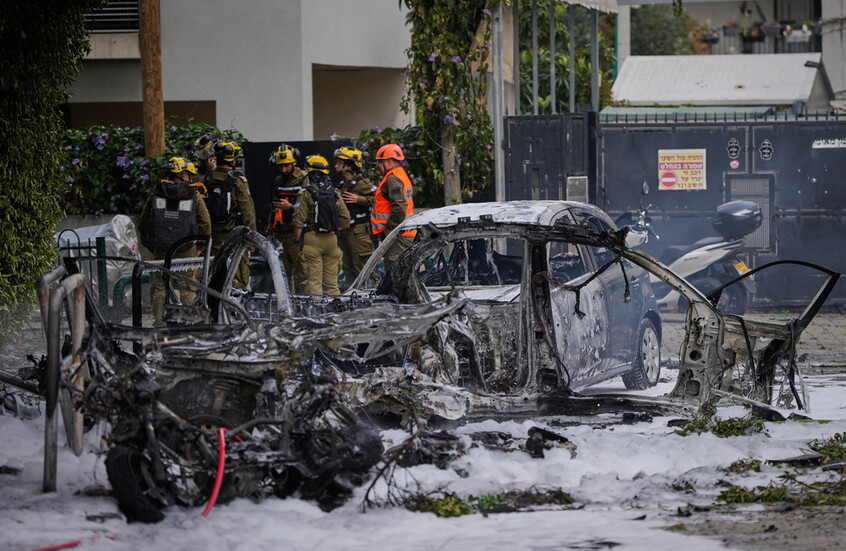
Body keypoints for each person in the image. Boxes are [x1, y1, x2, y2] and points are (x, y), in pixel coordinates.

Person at [137, 156, 212, 320]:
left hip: (161, 252)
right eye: (189, 174)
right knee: (188, 289)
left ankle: (160, 328)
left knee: (160, 289)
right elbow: (205, 223)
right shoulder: (194, 195)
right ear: (183, 174)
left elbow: (142, 224)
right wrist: (199, 247)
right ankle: (188, 328)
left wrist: (152, 246)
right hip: (187, 251)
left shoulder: (156, 194)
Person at [292, 155, 350, 295]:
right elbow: (345, 219)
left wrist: (297, 240)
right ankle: (335, 314)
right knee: (331, 285)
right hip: (332, 240)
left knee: (313, 284)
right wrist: (332, 227)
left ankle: (317, 315)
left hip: (312, 240)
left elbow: (298, 221)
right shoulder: (335, 192)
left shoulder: (305, 193)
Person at [203, 140, 256, 290]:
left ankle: (214, 311)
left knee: (214, 280)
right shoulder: (238, 181)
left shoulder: (206, 179)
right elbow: (248, 213)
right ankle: (236, 312)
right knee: (238, 281)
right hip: (235, 239)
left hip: (212, 240)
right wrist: (252, 240)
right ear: (232, 160)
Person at [266, 143, 306, 291]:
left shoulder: (303, 179)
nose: (283, 170)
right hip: (281, 232)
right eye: (281, 166)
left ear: (294, 163)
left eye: (287, 166)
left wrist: (290, 207)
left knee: (303, 273)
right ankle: (290, 305)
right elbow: (273, 205)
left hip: (297, 234)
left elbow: (309, 207)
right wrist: (270, 223)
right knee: (284, 274)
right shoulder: (277, 181)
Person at [334, 146, 375, 289]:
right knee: (347, 266)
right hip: (345, 232)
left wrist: (359, 199)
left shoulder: (362, 183)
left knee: (362, 266)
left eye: (340, 163)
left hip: (358, 233)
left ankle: (370, 293)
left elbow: (377, 200)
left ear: (349, 165)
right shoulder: (343, 184)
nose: (336, 166)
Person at [371, 144, 416, 270]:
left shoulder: (392, 179)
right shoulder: (401, 175)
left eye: (380, 163)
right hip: (405, 232)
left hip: (398, 236)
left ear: (389, 161)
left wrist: (390, 228)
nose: (378, 166)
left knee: (395, 273)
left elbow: (400, 205)